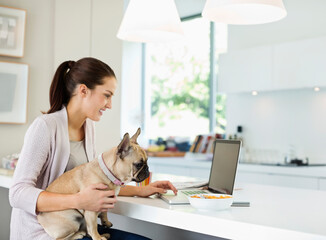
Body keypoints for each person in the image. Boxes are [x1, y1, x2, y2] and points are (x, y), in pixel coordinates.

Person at [9, 57, 178, 240]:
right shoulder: (45, 127)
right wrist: (78, 200)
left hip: (79, 229)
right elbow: (17, 193)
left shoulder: (88, 127)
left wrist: (141, 190)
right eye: (107, 95)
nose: (110, 104)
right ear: (83, 91)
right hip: (45, 233)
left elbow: (94, 185)